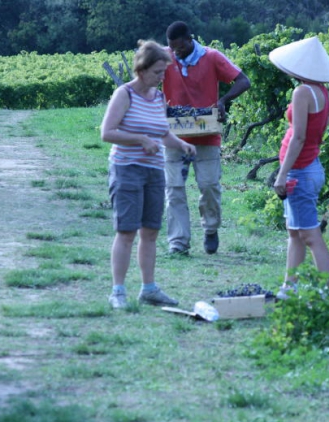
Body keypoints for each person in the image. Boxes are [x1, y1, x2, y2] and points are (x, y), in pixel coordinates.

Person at [101, 40, 197, 309]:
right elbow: (107, 132)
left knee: (151, 232)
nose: (162, 77)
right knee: (127, 231)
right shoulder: (125, 94)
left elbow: (163, 133)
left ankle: (149, 289)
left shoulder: (157, 97)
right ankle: (118, 291)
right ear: (141, 70)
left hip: (154, 171)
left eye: (164, 72)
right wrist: (141, 140)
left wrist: (181, 143)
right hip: (127, 170)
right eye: (157, 72)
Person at [163, 21, 251, 255]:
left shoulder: (212, 57)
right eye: (172, 48)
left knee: (209, 186)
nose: (175, 52)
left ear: (189, 39)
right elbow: (146, 81)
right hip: (174, 136)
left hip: (207, 135)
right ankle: (178, 243)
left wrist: (223, 101)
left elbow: (244, 81)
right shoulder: (165, 57)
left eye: (179, 48)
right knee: (173, 189)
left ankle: (211, 229)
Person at [268, 36, 329, 299]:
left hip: (300, 171)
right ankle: (290, 286)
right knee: (295, 232)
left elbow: (298, 136)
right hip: (311, 167)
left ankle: (327, 290)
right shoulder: (321, 90)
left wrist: (282, 174)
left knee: (309, 235)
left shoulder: (302, 92)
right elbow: (328, 115)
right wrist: (315, 138)